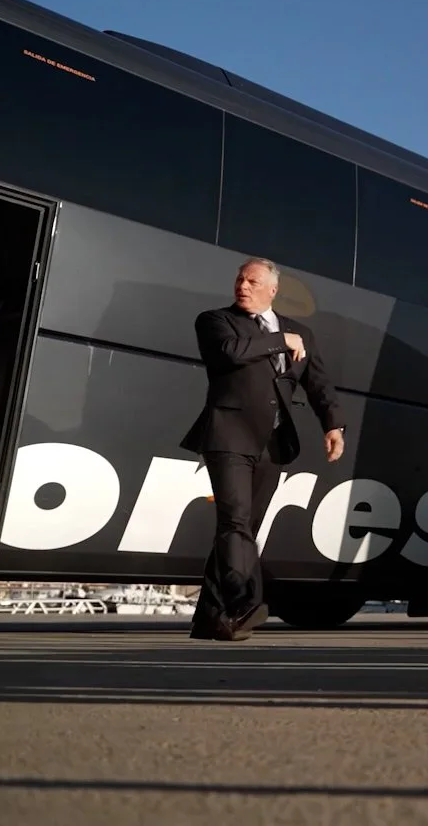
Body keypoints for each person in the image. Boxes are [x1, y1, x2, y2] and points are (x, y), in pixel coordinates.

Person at [180, 258, 343, 642]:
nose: (243, 286)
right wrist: (279, 341)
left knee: (244, 529)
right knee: (234, 522)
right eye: (239, 279)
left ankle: (211, 619)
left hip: (272, 444)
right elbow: (228, 354)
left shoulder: (301, 332)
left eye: (253, 281)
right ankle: (244, 603)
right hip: (228, 438)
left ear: (273, 289)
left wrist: (333, 425)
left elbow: (319, 385)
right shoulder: (215, 320)